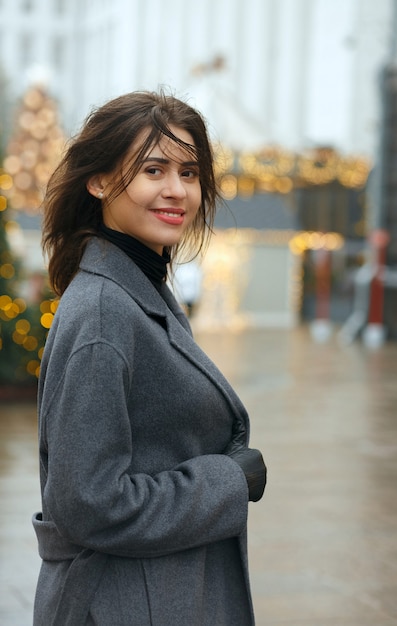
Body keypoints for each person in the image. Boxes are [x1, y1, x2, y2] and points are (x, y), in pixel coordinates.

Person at [32, 90, 267, 626]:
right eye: (153, 169)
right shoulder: (102, 311)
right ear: (98, 182)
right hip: (126, 601)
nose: (176, 190)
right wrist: (227, 482)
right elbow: (88, 503)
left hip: (157, 592)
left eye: (189, 172)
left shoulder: (139, 286)